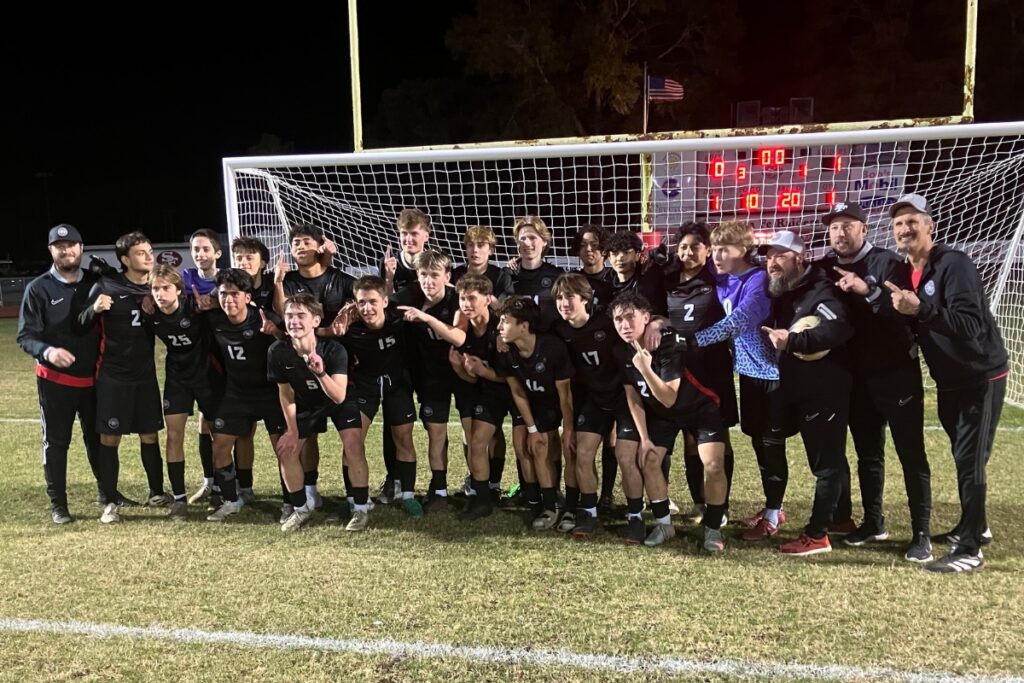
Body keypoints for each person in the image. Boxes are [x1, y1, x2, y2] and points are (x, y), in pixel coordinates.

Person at [883, 194, 1007, 573]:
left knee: (970, 463)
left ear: (930, 225)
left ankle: (970, 549)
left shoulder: (954, 264)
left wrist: (922, 310)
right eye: (899, 224)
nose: (905, 229)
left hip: (978, 377)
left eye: (912, 221)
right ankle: (977, 526)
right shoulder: (907, 271)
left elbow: (970, 326)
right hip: (949, 380)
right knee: (963, 457)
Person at [820, 201, 933, 562]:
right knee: (869, 453)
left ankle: (922, 535)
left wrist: (865, 291)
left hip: (895, 372)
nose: (841, 232)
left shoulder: (887, 262)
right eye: (835, 227)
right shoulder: (825, 266)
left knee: (910, 453)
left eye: (848, 225)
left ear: (864, 230)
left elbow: (900, 311)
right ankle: (873, 521)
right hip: (855, 378)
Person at [610, 291, 729, 553]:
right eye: (618, 319)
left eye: (630, 317)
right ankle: (664, 525)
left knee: (713, 464)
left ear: (646, 317)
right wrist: (644, 438)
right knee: (649, 458)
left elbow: (669, 397)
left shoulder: (668, 342)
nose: (624, 324)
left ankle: (712, 529)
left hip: (698, 408)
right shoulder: (620, 350)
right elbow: (633, 397)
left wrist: (645, 368)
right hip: (665, 416)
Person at [760, 231, 853, 556]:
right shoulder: (786, 289)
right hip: (798, 386)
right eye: (769, 256)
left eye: (780, 256)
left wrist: (794, 342)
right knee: (828, 456)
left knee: (825, 464)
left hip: (824, 388)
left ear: (801, 258)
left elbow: (836, 328)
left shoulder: (822, 292)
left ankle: (817, 535)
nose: (772, 262)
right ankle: (840, 518)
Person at [694, 221, 789, 541]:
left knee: (772, 444)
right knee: (757, 440)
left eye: (724, 250)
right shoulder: (724, 276)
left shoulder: (758, 280)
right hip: (748, 374)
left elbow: (737, 322)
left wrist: (692, 342)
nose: (716, 255)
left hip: (774, 375)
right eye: (715, 249)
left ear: (744, 251)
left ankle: (774, 513)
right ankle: (771, 507)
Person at [77, 231, 169, 524]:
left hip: (144, 376)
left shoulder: (157, 288)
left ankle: (156, 492)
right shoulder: (106, 286)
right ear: (124, 259)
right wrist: (94, 308)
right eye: (141, 253)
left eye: (149, 250)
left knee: (150, 434)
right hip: (112, 376)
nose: (148, 256)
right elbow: (79, 323)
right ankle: (110, 500)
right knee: (110, 437)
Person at [17, 224, 106, 523]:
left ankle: (107, 494)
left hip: (93, 380)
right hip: (55, 382)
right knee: (56, 442)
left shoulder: (96, 282)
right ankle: (59, 505)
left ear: (81, 248)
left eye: (72, 245)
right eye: (60, 246)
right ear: (51, 251)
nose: (66, 250)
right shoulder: (38, 288)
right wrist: (48, 351)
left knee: (98, 438)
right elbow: (25, 336)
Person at [273, 222, 355, 516]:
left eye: (307, 241)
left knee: (352, 436)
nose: (300, 247)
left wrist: (346, 322)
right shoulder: (288, 280)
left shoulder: (340, 278)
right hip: (299, 359)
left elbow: (357, 305)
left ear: (320, 245)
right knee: (305, 435)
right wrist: (278, 283)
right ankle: (308, 492)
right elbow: (283, 315)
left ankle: (356, 498)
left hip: (338, 362)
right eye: (295, 243)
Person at [552, 273, 639, 537]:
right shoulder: (558, 329)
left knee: (626, 457)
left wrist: (658, 324)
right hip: (593, 399)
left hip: (624, 398)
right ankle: (588, 511)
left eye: (569, 296)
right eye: (558, 297)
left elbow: (637, 327)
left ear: (585, 298)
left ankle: (636, 515)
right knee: (583, 452)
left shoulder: (608, 322)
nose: (563, 302)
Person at [663, 222, 738, 524]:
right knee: (689, 439)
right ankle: (699, 502)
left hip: (714, 368)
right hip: (680, 368)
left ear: (707, 250)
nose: (688, 251)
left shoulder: (719, 280)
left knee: (719, 437)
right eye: (683, 246)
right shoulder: (667, 279)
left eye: (695, 246)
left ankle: (722, 504)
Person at [331, 276, 424, 518]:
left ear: (385, 301)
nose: (367, 308)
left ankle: (408, 495)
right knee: (352, 442)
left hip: (397, 386)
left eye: (372, 301)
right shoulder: (349, 328)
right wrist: (333, 329)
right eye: (361, 303)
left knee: (404, 439)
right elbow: (322, 334)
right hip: (363, 388)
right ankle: (353, 498)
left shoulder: (400, 320)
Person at [205, 268, 286, 522]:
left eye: (234, 294)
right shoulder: (214, 319)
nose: (228, 299)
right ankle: (230, 500)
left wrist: (276, 333)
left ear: (248, 297)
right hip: (236, 394)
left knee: (283, 449)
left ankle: (291, 502)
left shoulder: (264, 319)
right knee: (219, 446)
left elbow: (292, 342)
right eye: (223, 294)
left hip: (269, 393)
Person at [145, 265, 224, 519]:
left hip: (206, 377)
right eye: (155, 289)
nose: (159, 294)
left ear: (179, 290)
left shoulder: (196, 308)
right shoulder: (151, 314)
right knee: (173, 435)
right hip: (177, 379)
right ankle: (179, 499)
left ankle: (218, 490)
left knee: (218, 434)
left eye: (165, 288)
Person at [395, 250, 470, 511]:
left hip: (463, 375)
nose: (428, 281)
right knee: (435, 432)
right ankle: (439, 489)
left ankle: (481, 487)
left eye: (434, 275)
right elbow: (383, 305)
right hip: (429, 377)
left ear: (447, 277)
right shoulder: (409, 298)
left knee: (473, 433)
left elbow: (459, 337)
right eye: (423, 275)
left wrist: (426, 318)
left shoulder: (457, 300)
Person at [269, 294, 350, 532]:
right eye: (290, 316)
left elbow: (339, 396)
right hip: (305, 403)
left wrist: (321, 373)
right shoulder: (277, 351)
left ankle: (358, 503)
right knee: (286, 451)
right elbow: (286, 394)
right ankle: (301, 509)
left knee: (353, 443)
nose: (294, 321)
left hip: (335, 400)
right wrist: (292, 431)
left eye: (300, 316)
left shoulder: (333, 349)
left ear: (316, 321)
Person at [496, 297, 575, 530]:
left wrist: (568, 429)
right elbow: (517, 391)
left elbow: (565, 396)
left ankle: (553, 505)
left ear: (524, 326)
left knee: (543, 449)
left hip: (553, 404)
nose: (499, 328)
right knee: (523, 445)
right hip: (529, 404)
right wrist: (531, 428)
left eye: (505, 322)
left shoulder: (552, 348)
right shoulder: (506, 351)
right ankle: (536, 503)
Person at [449, 275, 515, 521]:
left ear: (488, 299)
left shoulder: (505, 327)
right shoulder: (463, 332)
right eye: (462, 298)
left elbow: (513, 376)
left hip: (517, 391)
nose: (466, 303)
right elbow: (474, 378)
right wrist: (458, 368)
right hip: (490, 392)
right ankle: (482, 498)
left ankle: (538, 497)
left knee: (529, 445)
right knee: (477, 442)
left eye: (472, 298)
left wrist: (485, 372)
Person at [376, 209, 431, 503]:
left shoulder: (434, 262)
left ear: (426, 235)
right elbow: (383, 308)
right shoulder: (389, 263)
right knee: (394, 420)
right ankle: (393, 479)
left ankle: (439, 485)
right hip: (397, 354)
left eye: (414, 233)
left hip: (429, 354)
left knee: (436, 423)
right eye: (404, 234)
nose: (409, 239)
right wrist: (388, 277)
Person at [570, 225, 620, 509]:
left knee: (613, 439)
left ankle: (608, 495)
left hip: (612, 371)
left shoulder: (615, 279)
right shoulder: (571, 282)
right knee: (584, 439)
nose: (588, 250)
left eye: (594, 245)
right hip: (582, 375)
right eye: (583, 245)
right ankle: (581, 493)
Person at [504, 216, 565, 333]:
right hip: (516, 342)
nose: (527, 243)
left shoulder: (557, 276)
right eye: (522, 238)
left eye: (532, 238)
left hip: (548, 342)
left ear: (544, 242)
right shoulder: (506, 275)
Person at [606, 230, 667, 315]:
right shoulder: (606, 281)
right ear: (609, 258)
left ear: (637, 256)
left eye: (626, 252)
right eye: (615, 253)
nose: (620, 258)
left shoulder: (649, 277)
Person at [451, 224, 515, 303]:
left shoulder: (501, 278)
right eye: (470, 245)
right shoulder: (455, 275)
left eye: (480, 245)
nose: (475, 250)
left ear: (491, 250)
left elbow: (505, 310)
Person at [181, 228, 222, 297]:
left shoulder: (226, 280)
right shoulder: (185, 277)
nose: (200, 254)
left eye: (206, 250)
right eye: (196, 249)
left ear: (218, 254)